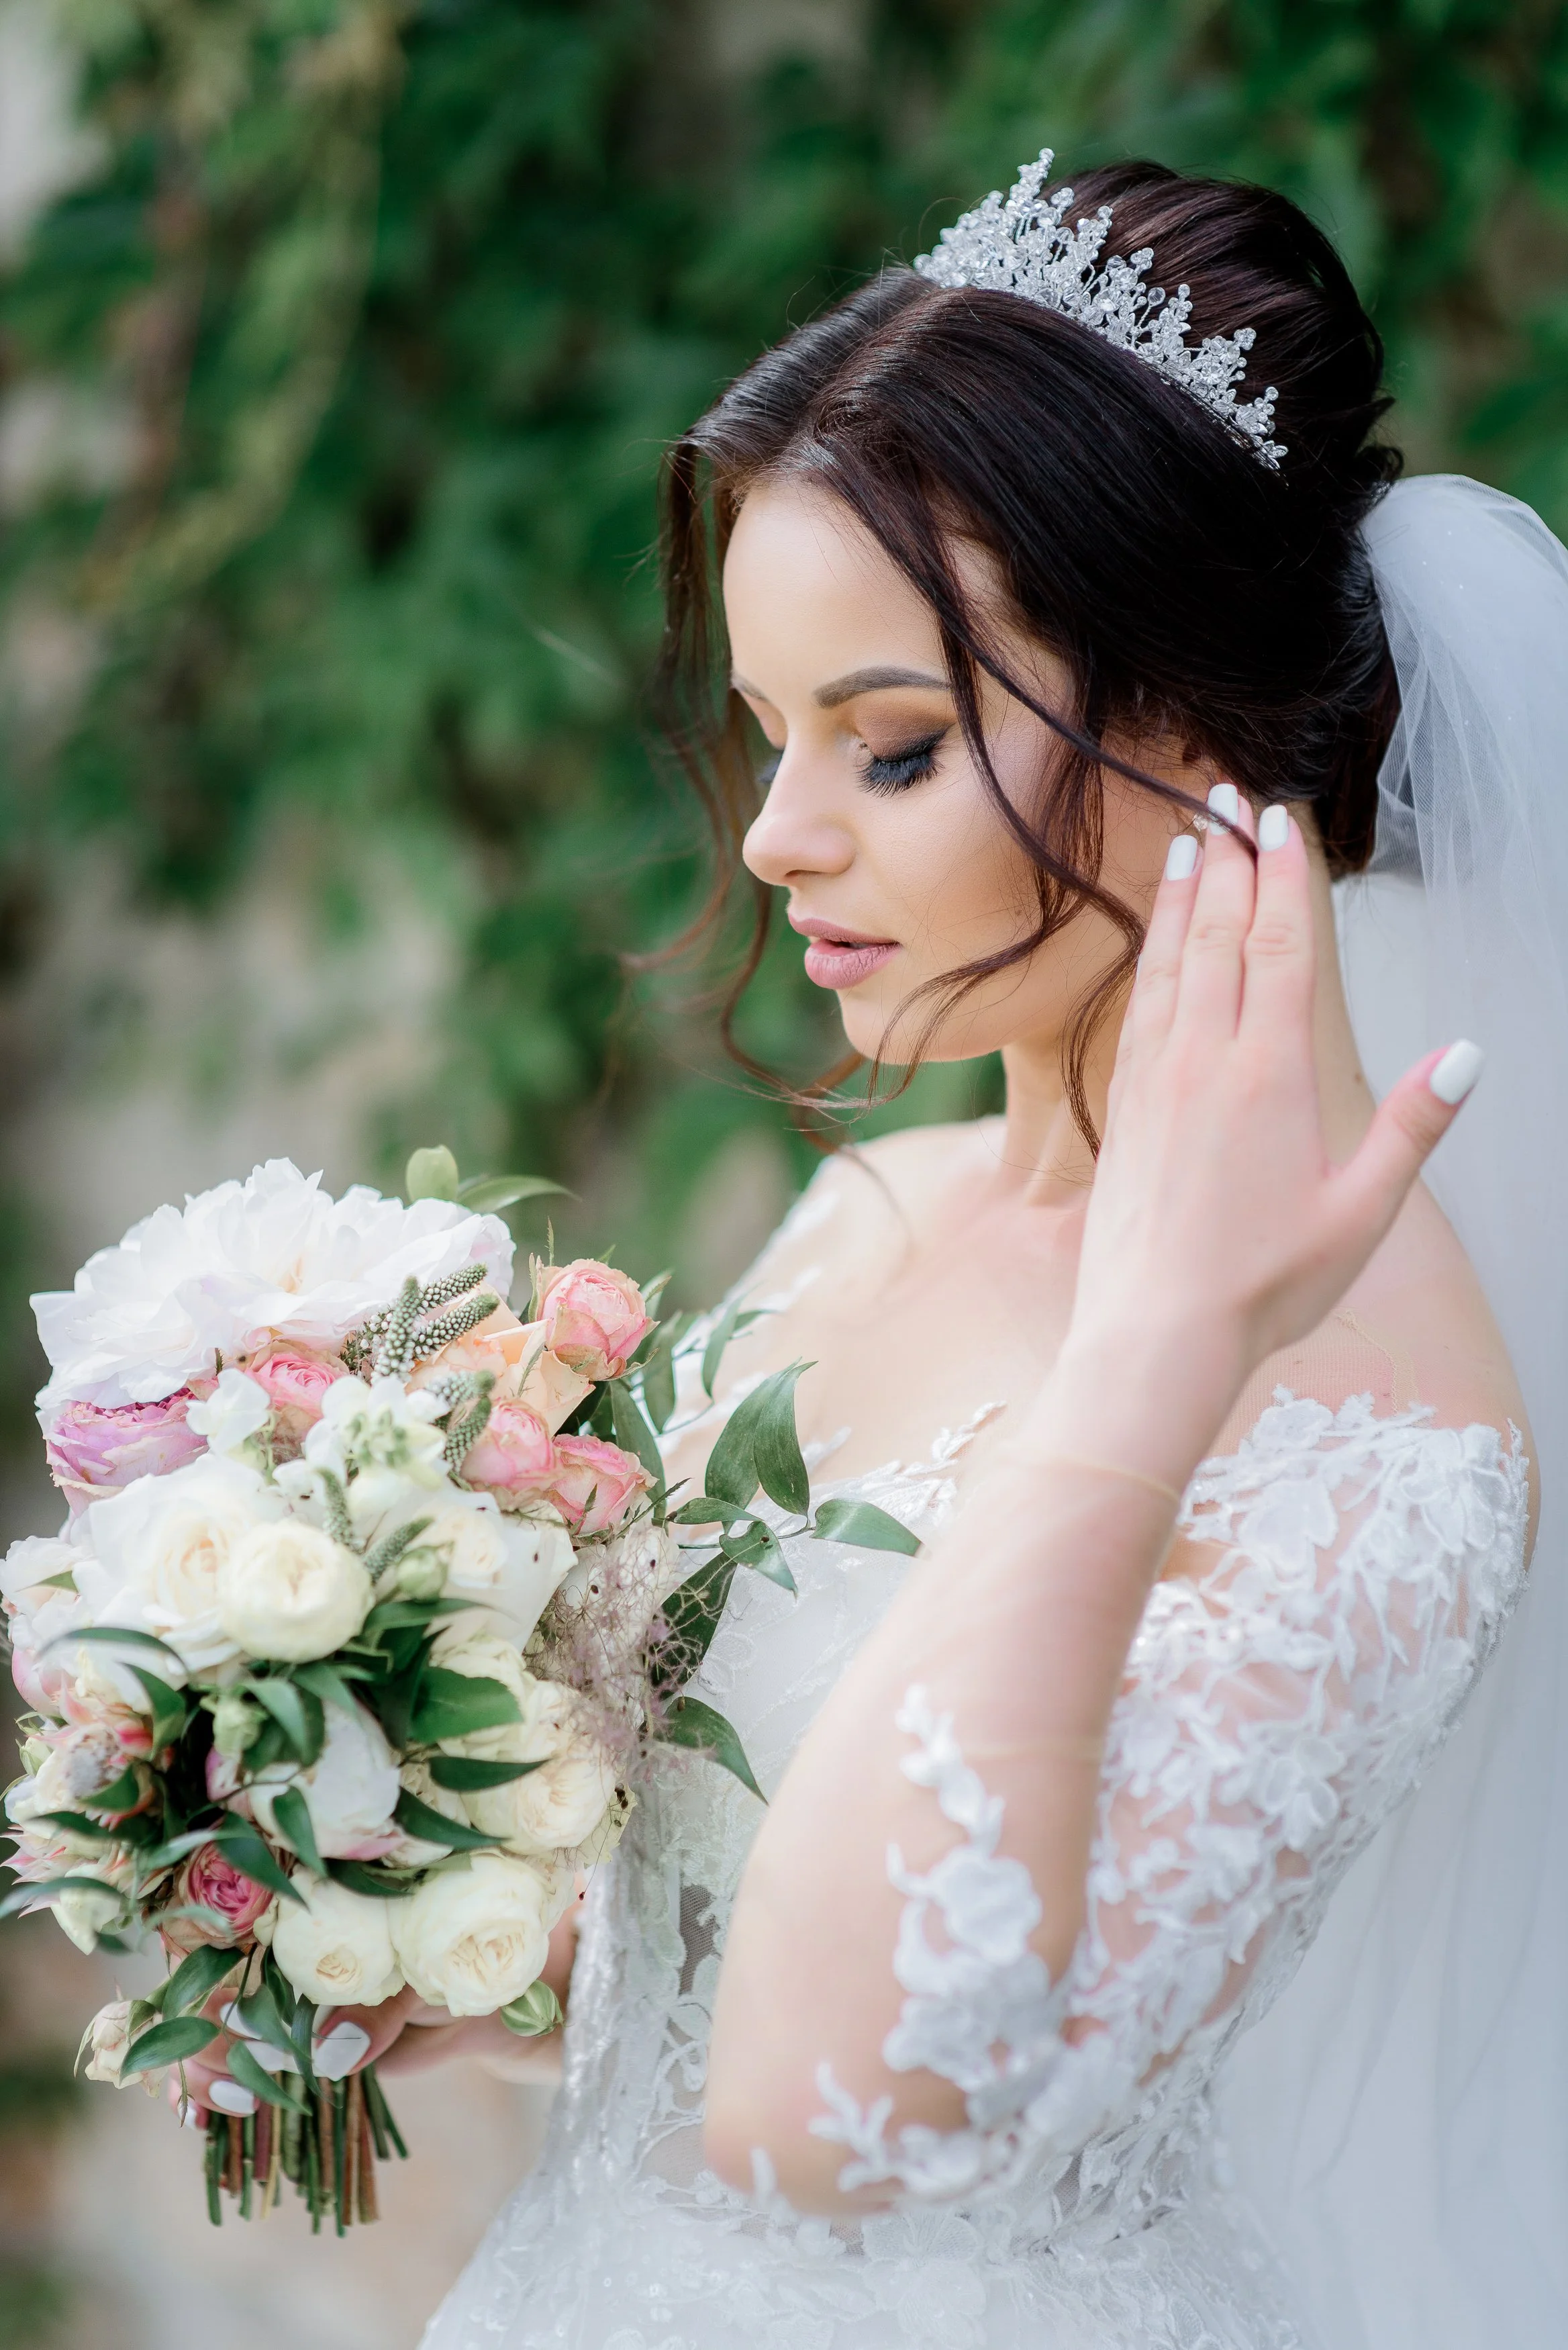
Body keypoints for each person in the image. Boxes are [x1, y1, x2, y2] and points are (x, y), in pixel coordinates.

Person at [190, 154, 1568, 2349]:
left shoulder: (1377, 1421)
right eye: (768, 735)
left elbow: (834, 2116)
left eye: (893, 743)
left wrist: (1143, 1370)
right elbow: (739, 1943)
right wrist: (451, 1927)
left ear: (1199, 719)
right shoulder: (869, 1210)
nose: (773, 834)